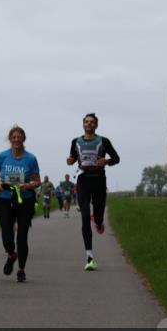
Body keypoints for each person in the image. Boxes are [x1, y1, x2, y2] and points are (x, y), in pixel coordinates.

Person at [67, 113, 120, 271]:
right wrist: (70, 160)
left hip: (99, 179)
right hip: (83, 180)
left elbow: (117, 158)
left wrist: (107, 161)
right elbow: (72, 157)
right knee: (84, 216)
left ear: (96, 125)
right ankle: (89, 257)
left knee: (97, 215)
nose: (89, 124)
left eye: (92, 122)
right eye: (86, 122)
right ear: (83, 124)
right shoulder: (75, 141)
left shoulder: (104, 141)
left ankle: (98, 221)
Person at [0, 126, 41, 283]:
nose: (16, 140)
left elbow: (37, 181)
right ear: (10, 139)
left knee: (22, 236)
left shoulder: (31, 159)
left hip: (24, 200)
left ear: (23, 139)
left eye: (19, 137)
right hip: (5, 198)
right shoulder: (2, 156)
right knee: (6, 234)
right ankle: (11, 254)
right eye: (13, 137)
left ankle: (21, 269)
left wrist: (27, 185)